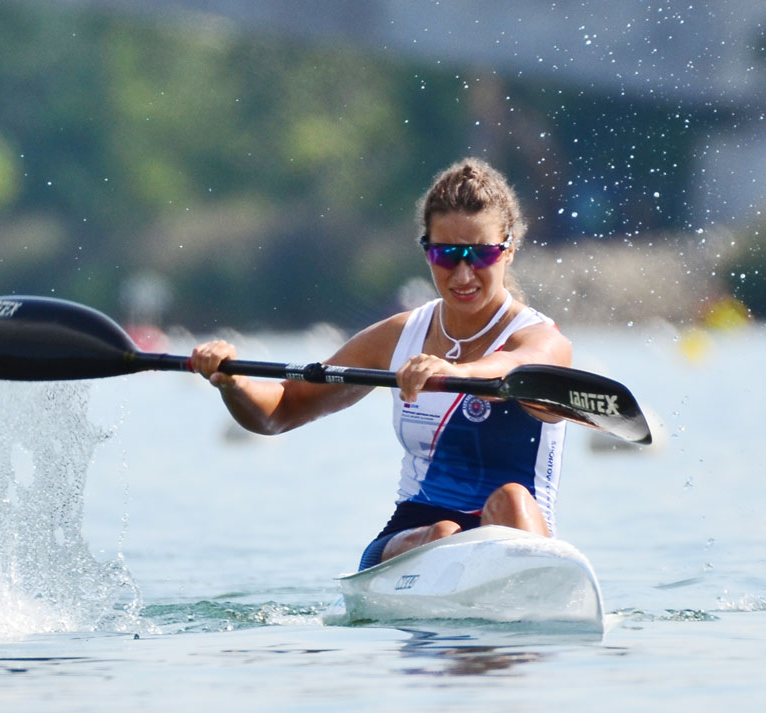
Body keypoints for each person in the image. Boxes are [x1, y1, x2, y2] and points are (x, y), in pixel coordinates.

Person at [189, 158, 572, 569]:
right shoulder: (399, 336)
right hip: (411, 538)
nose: (463, 274)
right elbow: (281, 411)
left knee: (513, 498)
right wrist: (231, 381)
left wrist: (456, 373)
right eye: (447, 254)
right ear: (427, 251)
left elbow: (517, 365)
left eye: (481, 255)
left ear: (509, 250)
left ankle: (528, 583)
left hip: (516, 534)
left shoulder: (543, 339)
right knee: (443, 533)